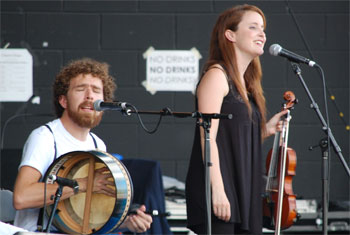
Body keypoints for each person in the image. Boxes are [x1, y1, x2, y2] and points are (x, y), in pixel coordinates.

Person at [13, 58, 152, 233]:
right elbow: (21, 197)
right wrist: (83, 184)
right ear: (63, 101)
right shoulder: (45, 137)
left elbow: (87, 215)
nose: (89, 96)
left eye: (96, 90)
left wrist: (126, 223)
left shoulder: (97, 144)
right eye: (81, 89)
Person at [185, 4, 288, 234]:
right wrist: (218, 191)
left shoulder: (247, 86)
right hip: (221, 187)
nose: (262, 34)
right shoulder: (217, 76)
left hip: (244, 189)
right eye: (253, 27)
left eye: (263, 28)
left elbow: (232, 140)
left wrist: (264, 130)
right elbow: (208, 138)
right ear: (230, 34)